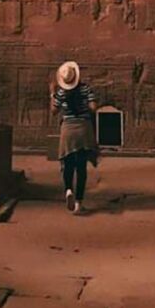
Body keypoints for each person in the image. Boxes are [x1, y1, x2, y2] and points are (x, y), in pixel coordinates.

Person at [51, 61, 98, 215]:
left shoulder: (60, 93)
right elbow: (93, 108)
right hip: (83, 128)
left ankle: (68, 190)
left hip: (68, 129)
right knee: (81, 166)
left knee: (68, 162)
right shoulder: (86, 89)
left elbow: (54, 111)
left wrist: (52, 94)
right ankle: (79, 202)